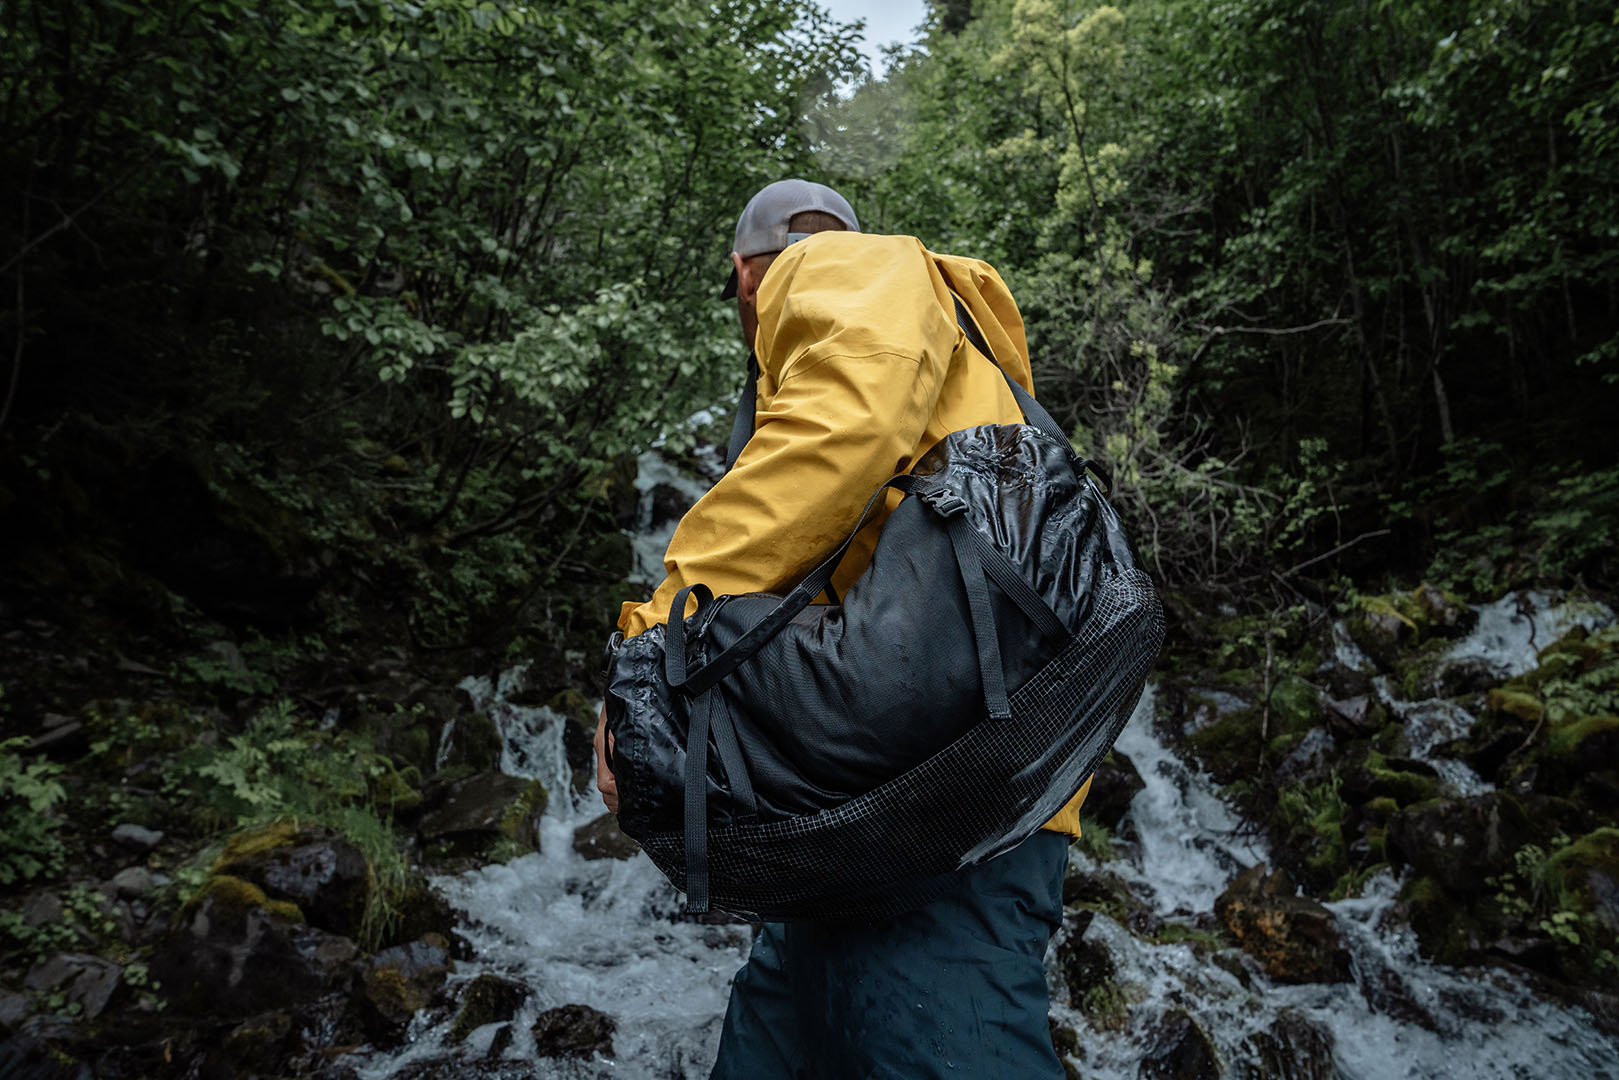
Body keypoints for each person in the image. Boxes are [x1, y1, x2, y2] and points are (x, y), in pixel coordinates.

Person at [594, 179, 1090, 1079]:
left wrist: (652, 646)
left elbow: (852, 424)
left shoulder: (831, 272)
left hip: (946, 809)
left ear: (743, 273)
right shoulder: (946, 334)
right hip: (882, 802)